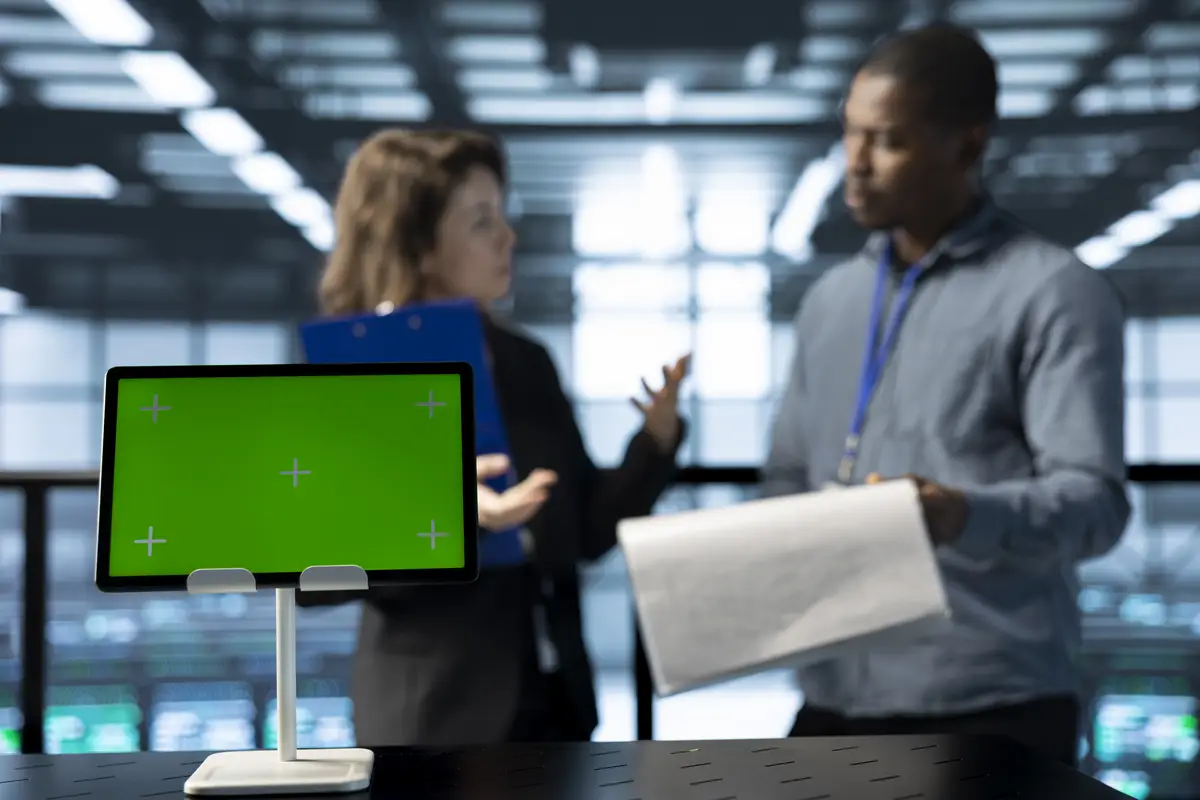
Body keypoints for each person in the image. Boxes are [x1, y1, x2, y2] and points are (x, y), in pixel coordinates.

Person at [763, 23, 1129, 766]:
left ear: (966, 145)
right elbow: (786, 478)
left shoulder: (1053, 292)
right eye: (851, 135)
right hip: (836, 701)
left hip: (992, 712)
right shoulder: (831, 301)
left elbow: (1095, 505)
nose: (855, 166)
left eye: (888, 141)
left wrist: (961, 514)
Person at [298, 128, 689, 746]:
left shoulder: (525, 361)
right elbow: (317, 576)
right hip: (433, 715)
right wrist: (459, 518)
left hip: (552, 702)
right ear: (420, 244)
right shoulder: (362, 369)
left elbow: (582, 529)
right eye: (482, 222)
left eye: (502, 216)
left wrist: (656, 442)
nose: (508, 237)